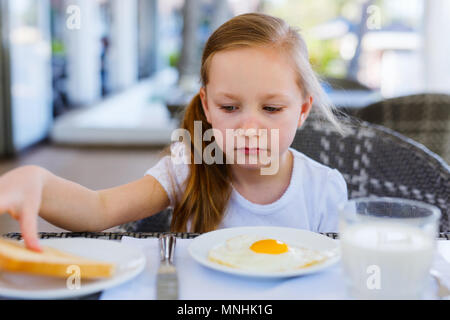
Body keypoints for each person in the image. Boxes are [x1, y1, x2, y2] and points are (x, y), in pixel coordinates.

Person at [0, 13, 348, 252]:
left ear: (303, 110)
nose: (249, 128)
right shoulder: (186, 170)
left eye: (271, 109)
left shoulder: (324, 189)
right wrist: (39, 182)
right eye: (229, 107)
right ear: (207, 106)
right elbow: (98, 208)